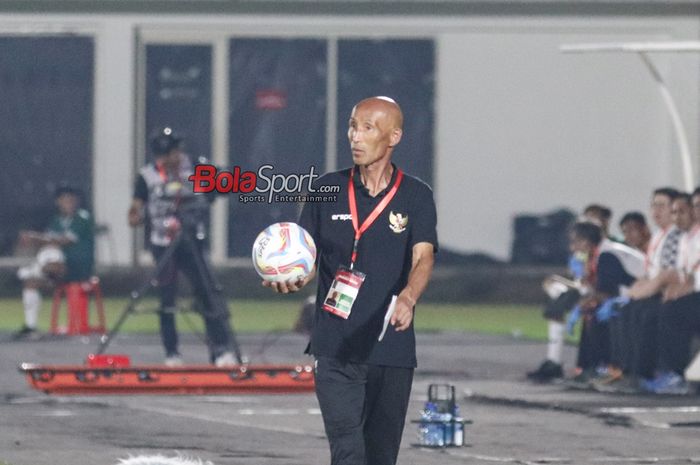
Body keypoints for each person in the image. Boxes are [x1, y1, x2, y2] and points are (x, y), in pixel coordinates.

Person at [263, 96, 438, 465]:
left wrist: (408, 297)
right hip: (335, 346)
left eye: (367, 128)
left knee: (380, 457)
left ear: (394, 137)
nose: (355, 137)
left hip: (391, 347)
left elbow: (423, 257)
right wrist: (293, 278)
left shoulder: (416, 195)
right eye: (352, 126)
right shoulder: (326, 190)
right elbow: (306, 259)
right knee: (348, 452)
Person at [128, 127, 238, 367]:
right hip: (163, 244)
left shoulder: (196, 170)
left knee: (208, 294)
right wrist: (138, 214)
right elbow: (134, 212)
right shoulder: (147, 176)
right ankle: (172, 353)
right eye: (166, 154)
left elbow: (225, 186)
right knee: (167, 298)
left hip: (192, 242)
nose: (171, 159)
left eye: (174, 153)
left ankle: (221, 350)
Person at [15, 184, 94, 339]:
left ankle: (40, 270)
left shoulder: (82, 218)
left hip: (77, 266)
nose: (68, 203)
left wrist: (34, 237)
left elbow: (65, 241)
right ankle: (31, 326)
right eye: (65, 200)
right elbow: (49, 241)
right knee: (30, 283)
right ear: (58, 202)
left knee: (52, 253)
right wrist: (33, 240)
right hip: (59, 267)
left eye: (71, 200)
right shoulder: (57, 220)